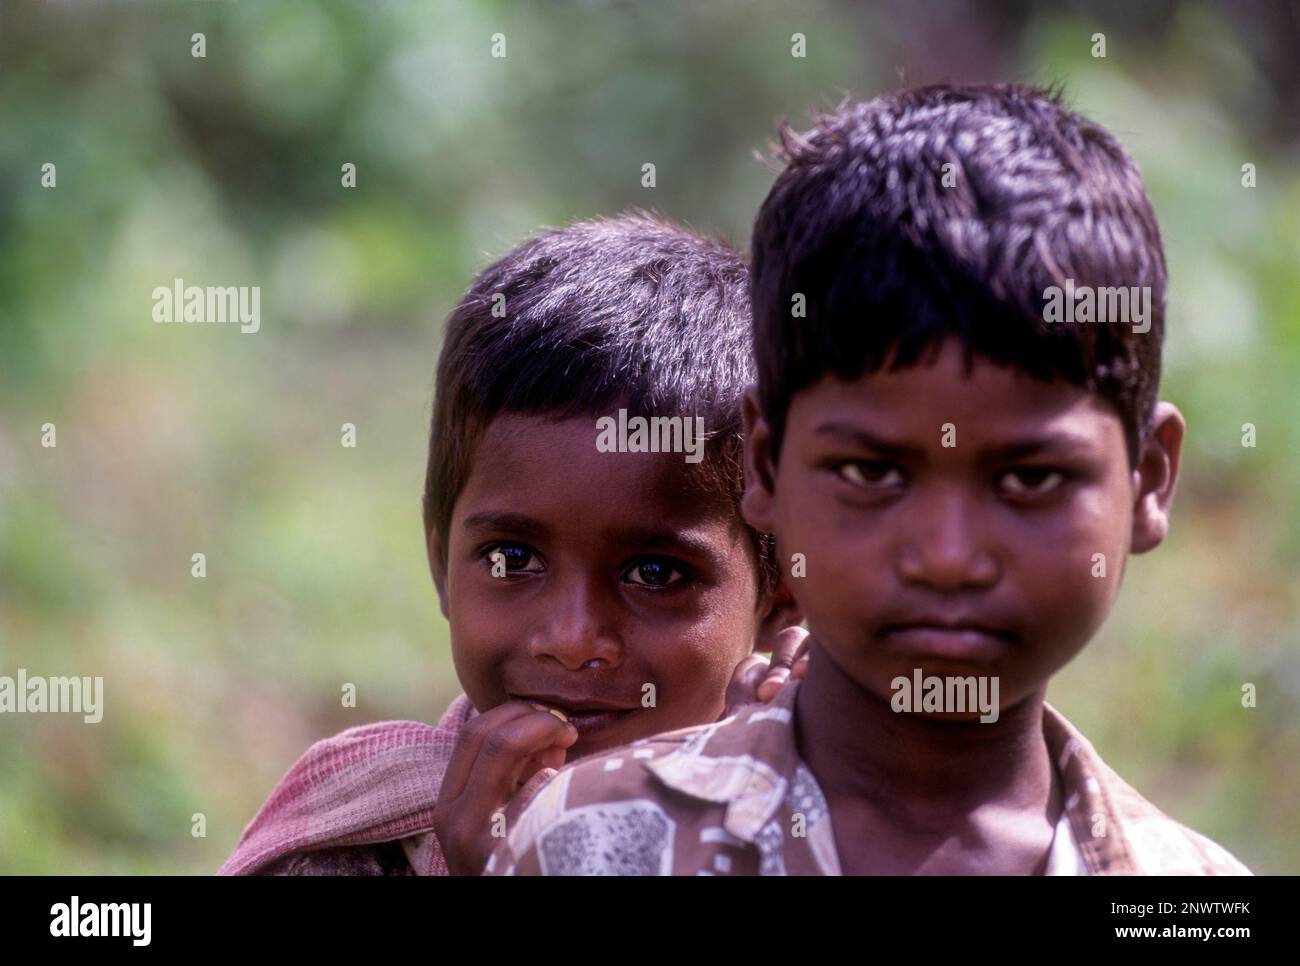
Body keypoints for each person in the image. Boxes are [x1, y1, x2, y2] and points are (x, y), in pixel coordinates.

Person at [485, 85, 1252, 876]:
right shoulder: (595, 843)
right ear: (766, 465)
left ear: (1149, 480)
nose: (948, 558)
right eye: (870, 472)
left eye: (1031, 478)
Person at [219, 212, 804, 875]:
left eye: (656, 573)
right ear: (442, 561)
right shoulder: (352, 838)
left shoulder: (817, 825)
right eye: (513, 559)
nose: (573, 638)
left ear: (782, 591)